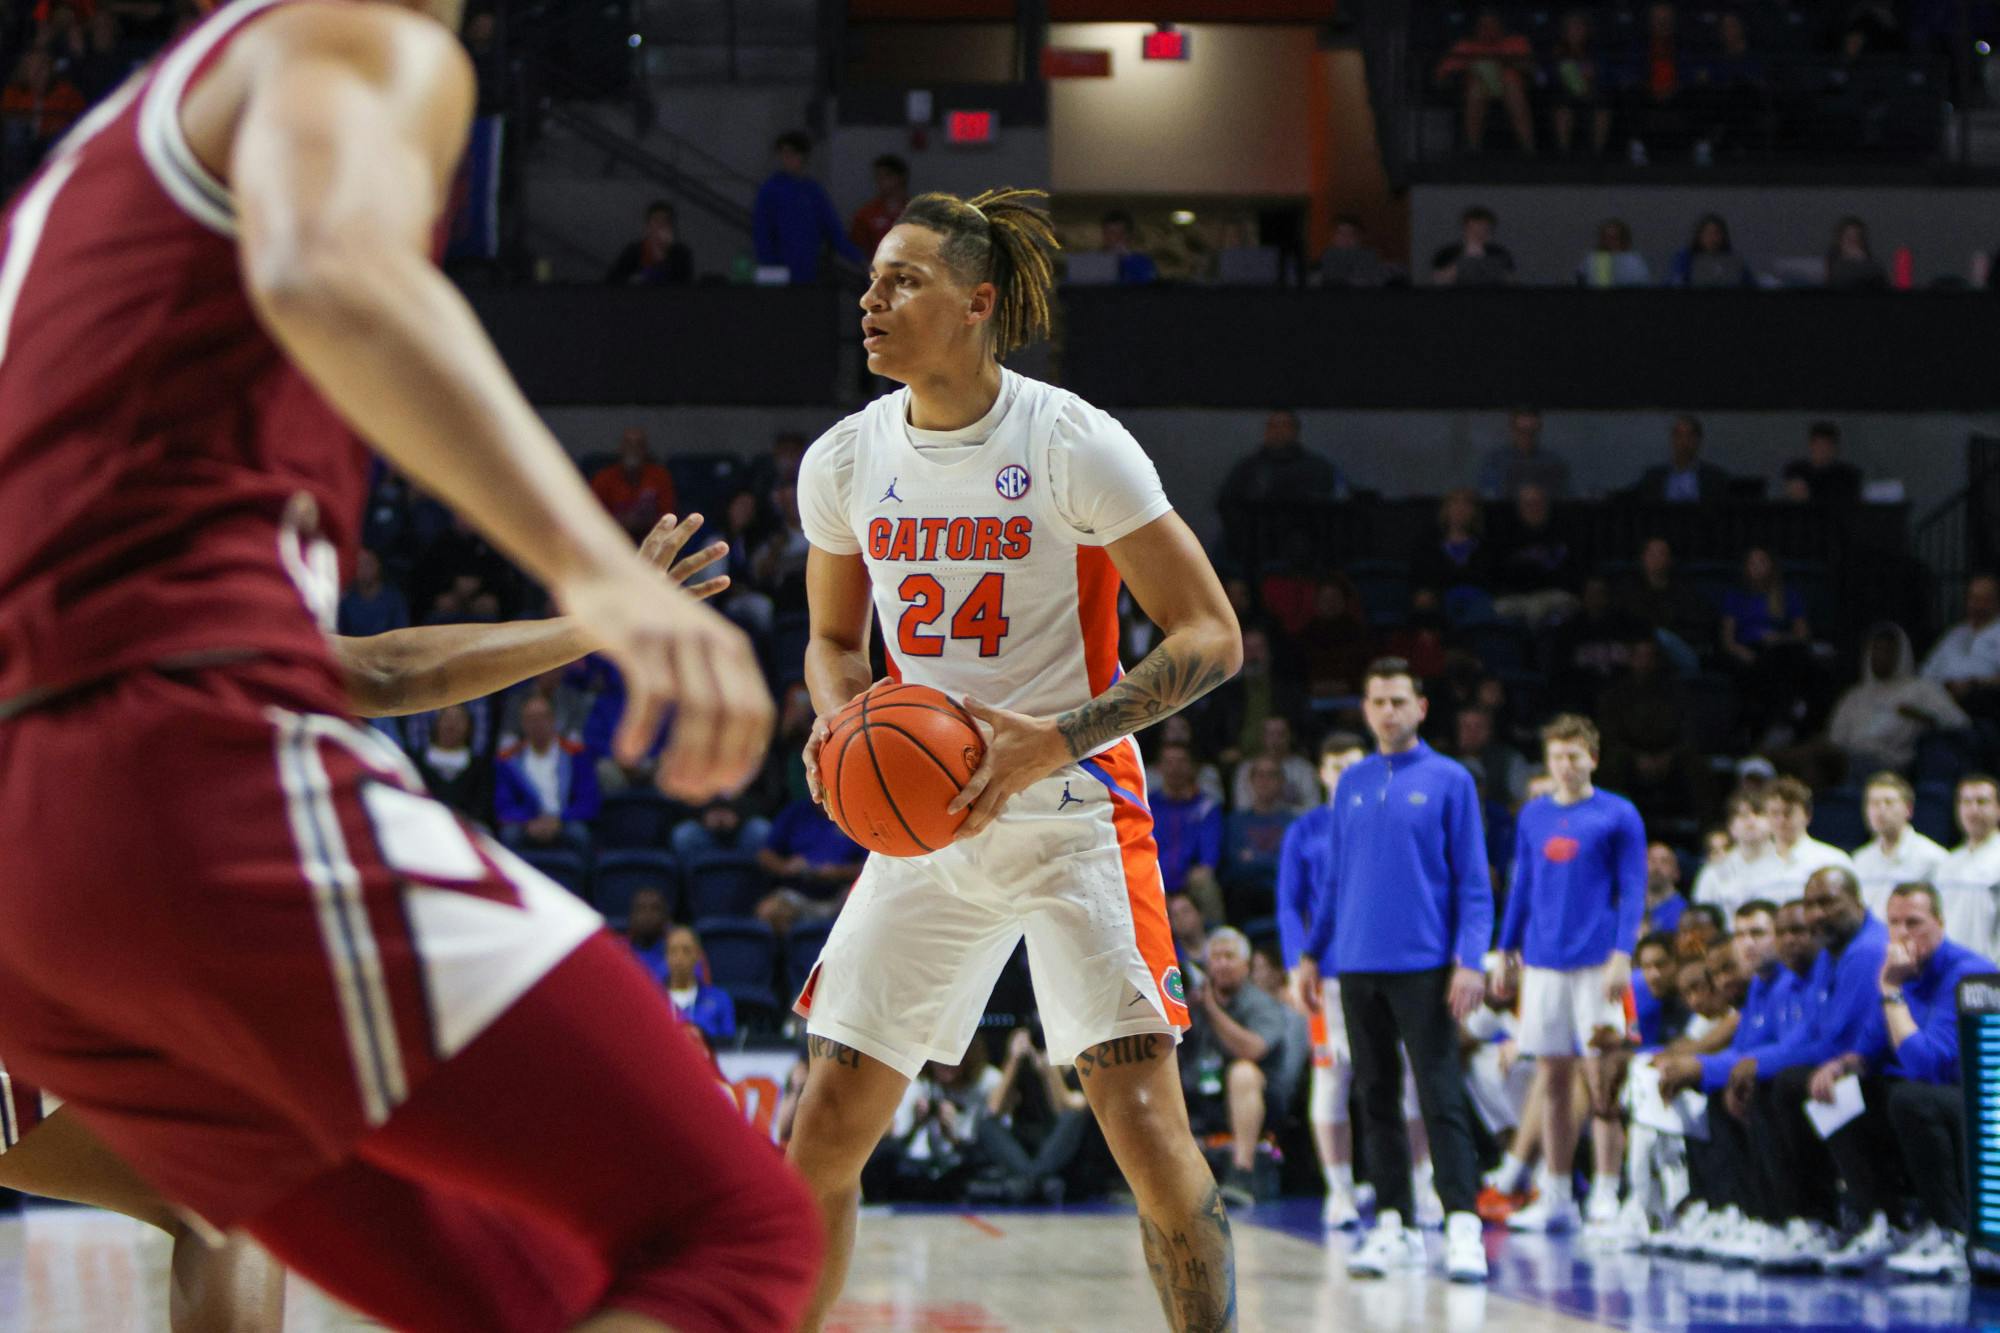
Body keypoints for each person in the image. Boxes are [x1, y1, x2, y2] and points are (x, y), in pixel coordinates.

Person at [0, 2, 817, 1309]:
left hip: (39, 880)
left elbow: (374, 670)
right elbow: (327, 270)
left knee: (515, 1295)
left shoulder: (90, 178)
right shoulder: (351, 37)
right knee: (738, 1227)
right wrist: (597, 568)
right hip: (172, 777)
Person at [787, 187, 1245, 1332]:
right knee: (820, 1137)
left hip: (1072, 811)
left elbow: (1210, 636)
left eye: (902, 281)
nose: (870, 300)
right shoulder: (844, 460)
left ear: (975, 303)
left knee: (1145, 1133)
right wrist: (840, 723)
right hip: (926, 828)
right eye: (869, 281)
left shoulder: (1068, 441)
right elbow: (833, 643)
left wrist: (1057, 736)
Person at [1298, 659, 1493, 1283]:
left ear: (1421, 708)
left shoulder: (1451, 779)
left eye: (1399, 700)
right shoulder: (1351, 782)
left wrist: (1471, 960)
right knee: (1374, 1096)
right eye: (1378, 701)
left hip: (1426, 966)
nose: (1388, 711)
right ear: (1365, 709)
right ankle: (1393, 1224)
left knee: (1440, 1095)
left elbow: (1474, 881)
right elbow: (1334, 879)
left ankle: (1462, 1225)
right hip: (1355, 965)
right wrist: (1311, 953)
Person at [1495, 716, 1647, 1232]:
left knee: (1602, 1079)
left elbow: (1633, 887)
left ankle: (1606, 1189)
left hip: (1597, 962)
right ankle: (1556, 1192)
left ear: (1593, 759)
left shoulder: (1619, 813)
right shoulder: (1533, 815)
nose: (1565, 765)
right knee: (1553, 1077)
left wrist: (1623, 954)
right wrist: (1507, 947)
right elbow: (1522, 884)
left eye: (1575, 756)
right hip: (1543, 962)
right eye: (1557, 756)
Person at [1721, 868, 1890, 1272]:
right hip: (1852, 1066)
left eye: (1827, 903)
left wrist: (1758, 1064)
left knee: (1791, 1085)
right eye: (1811, 904)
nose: (1817, 915)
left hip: (1885, 1072)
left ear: (1857, 902)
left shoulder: (1866, 951)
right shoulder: (1833, 952)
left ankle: (1863, 1218)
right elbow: (1814, 1033)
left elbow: (1839, 1044)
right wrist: (1753, 1066)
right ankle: (1787, 1219)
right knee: (1775, 1084)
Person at [1278, 731, 1375, 1229]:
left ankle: (1418, 1185)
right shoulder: (1305, 830)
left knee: (1400, 1079)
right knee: (1332, 1076)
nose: (1344, 775)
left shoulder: (1385, 822)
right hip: (1328, 975)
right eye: (1336, 767)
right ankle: (1339, 1190)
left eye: (1353, 765)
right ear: (1321, 773)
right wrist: (1297, 964)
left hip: (1384, 969)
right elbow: (1289, 905)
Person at [1880, 882, 1992, 1280]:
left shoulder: (1969, 973)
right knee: (1841, 1093)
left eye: (1913, 922)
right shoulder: (1905, 968)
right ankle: (1886, 1222)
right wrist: (1844, 1063)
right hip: (1949, 1097)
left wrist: (1891, 991)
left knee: (1910, 1099)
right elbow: (1871, 1045)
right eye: (1894, 923)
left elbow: (1925, 1064)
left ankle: (1954, 1231)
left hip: (1985, 1107)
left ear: (1940, 923)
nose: (1902, 933)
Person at [1182, 928, 1299, 1207]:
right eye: (1216, 957)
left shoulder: (1261, 1003)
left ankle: (1242, 1173)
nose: (1222, 963)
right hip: (1206, 1093)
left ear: (1246, 965)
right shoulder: (1195, 1004)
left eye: (1229, 956)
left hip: (1260, 1102)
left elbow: (1252, 1049)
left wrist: (1212, 1011)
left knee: (1243, 1073)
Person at [1818, 623, 1968, 778]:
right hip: (1847, 758)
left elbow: (1959, 722)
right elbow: (1835, 739)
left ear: (1901, 654)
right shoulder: (1856, 695)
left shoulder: (1921, 689)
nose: (1880, 656)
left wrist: (1923, 717)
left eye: (1887, 651)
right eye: (1876, 650)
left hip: (1889, 764)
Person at [494, 695, 601, 853]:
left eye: (542, 717)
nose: (537, 724)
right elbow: (504, 804)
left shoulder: (576, 754)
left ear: (553, 720)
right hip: (527, 823)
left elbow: (587, 800)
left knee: (580, 834)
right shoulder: (508, 759)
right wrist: (529, 821)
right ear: (522, 723)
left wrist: (559, 820)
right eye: (531, 719)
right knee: (509, 835)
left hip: (565, 820)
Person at [753, 130, 862, 284]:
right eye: (783, 154)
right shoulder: (770, 190)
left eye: (791, 154)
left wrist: (860, 260)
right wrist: (769, 266)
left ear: (803, 156)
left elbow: (834, 231)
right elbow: (761, 232)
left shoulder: (813, 192)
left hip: (807, 273)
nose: (786, 159)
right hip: (778, 274)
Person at [755, 796, 864, 936]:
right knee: (770, 910)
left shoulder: (853, 815)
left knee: (863, 909)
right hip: (799, 891)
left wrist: (838, 872)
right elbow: (765, 855)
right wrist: (786, 867)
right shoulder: (797, 812)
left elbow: (871, 865)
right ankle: (787, 949)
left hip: (841, 893)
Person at [1433, 8, 1536, 154]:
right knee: (1476, 88)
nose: (1488, 29)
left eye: (1493, 24)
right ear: (1476, 28)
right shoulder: (1466, 47)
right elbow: (1441, 76)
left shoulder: (1516, 43)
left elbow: (1534, 71)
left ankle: (1528, 148)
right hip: (1476, 91)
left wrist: (1509, 62)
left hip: (1512, 88)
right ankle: (1473, 148)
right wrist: (1462, 72)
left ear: (1501, 26)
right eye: (1484, 25)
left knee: (1512, 86)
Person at [1853, 772, 1949, 916]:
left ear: (1908, 809)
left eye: (1889, 802)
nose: (1881, 810)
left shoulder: (1932, 858)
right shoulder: (1860, 860)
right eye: (1874, 803)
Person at [1152, 739, 1227, 924]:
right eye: (1169, 762)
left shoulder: (1206, 807)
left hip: (1190, 882)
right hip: (1154, 877)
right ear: (1159, 768)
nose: (1174, 768)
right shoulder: (1148, 805)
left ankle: (1215, 935)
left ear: (1193, 767)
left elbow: (1209, 858)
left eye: (1181, 762)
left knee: (1204, 881)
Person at [1932, 774, 2000, 960]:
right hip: (1949, 967)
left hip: (1988, 970)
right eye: (1967, 802)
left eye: (1982, 802)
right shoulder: (1947, 864)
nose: (1973, 810)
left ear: (1998, 808)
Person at [1693, 791, 1792, 916]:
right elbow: (1701, 916)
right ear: (1731, 827)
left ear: (1773, 821)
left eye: (1758, 813)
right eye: (1742, 816)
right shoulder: (1713, 873)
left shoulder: (1790, 865)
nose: (1751, 821)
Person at [1618, 536, 1715, 663]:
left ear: (1670, 559)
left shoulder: (1684, 589)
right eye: (1652, 554)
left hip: (1679, 645)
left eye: (1662, 553)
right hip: (1639, 648)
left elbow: (1698, 621)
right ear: (1643, 558)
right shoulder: (1628, 588)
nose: (1656, 558)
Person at [1221, 758, 1295, 921]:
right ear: (1251, 781)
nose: (1265, 781)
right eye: (1260, 775)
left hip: (1280, 892)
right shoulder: (1235, 822)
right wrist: (1271, 859)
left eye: (1271, 775)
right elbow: (1235, 866)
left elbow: (1289, 865)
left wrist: (1253, 858)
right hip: (1244, 895)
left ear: (1281, 782)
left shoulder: (1292, 823)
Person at [1920, 573, 2000, 715]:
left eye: (1984, 599)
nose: (1977, 605)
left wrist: (1975, 684)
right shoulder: (1955, 634)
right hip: (1938, 699)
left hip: (1981, 705)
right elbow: (1927, 672)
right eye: (1973, 598)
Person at [1763, 778, 1855, 895]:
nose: (1781, 820)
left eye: (1788, 813)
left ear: (1807, 815)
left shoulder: (1833, 861)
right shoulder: (1756, 866)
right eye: (1774, 813)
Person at [589, 426, 680, 541]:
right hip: (612, 538)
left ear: (645, 449)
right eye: (629, 444)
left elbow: (668, 515)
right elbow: (593, 516)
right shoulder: (603, 477)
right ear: (621, 448)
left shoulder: (660, 476)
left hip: (651, 537)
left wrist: (641, 522)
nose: (633, 449)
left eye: (638, 445)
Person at [412, 701, 494, 825]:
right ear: (437, 723)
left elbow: (482, 807)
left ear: (469, 727)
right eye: (447, 718)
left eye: (459, 720)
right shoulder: (416, 762)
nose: (451, 725)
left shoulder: (480, 767)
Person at [1549, 12, 1613, 158]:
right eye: (1571, 28)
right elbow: (1548, 77)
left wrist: (1592, 74)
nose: (1575, 32)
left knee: (1602, 107)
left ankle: (1597, 154)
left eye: (1579, 27)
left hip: (1592, 94)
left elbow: (1605, 76)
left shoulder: (1596, 52)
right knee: (1562, 108)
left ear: (1587, 30)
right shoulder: (1557, 52)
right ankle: (1563, 153)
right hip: (1564, 95)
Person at [1477, 406, 1570, 502]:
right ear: (1513, 430)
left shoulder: (1554, 462)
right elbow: (1488, 494)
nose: (1526, 437)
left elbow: (1565, 495)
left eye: (1531, 432)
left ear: (1538, 430)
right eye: (1521, 431)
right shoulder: (1495, 461)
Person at [664, 925, 738, 1046]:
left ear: (698, 955)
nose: (679, 958)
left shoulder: (720, 999)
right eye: (673, 951)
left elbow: (730, 1048)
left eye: (686, 951)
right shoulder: (654, 1000)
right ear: (666, 956)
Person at [1630, 414, 1730, 502]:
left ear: (1698, 440)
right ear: (1672, 439)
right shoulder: (1653, 478)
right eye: (1679, 435)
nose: (1684, 442)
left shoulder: (1715, 478)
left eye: (1690, 436)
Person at [1230, 715, 1318, 813]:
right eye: (1270, 734)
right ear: (1261, 737)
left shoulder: (1305, 769)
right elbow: (1242, 809)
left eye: (1281, 734)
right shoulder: (1246, 768)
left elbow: (1313, 809)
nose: (1275, 740)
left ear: (1290, 737)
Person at [605, 198, 693, 286]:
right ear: (648, 227)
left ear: (671, 228)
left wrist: (664, 253)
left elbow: (685, 285)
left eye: (665, 222)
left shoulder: (680, 254)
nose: (660, 227)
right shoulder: (633, 252)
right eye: (656, 221)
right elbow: (611, 282)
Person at [1780, 421, 1864, 503]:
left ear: (1835, 448)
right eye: (1819, 444)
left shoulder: (1848, 475)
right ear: (1811, 445)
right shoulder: (1796, 471)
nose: (1822, 449)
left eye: (1827, 445)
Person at [1432, 205, 1515, 286]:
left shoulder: (1500, 254)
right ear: (1465, 229)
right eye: (1474, 229)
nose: (1479, 234)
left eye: (1484, 230)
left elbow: (1509, 281)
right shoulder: (1448, 253)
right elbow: (1437, 281)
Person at [848, 153, 909, 261]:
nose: (881, 181)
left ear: (900, 178)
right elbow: (855, 248)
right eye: (878, 176)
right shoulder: (866, 214)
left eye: (886, 176)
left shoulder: (918, 214)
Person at [337, 547, 408, 637]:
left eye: (368, 564)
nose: (364, 570)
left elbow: (402, 633)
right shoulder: (347, 600)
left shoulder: (393, 599)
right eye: (359, 565)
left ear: (378, 565)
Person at [1668, 213, 1754, 288]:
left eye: (1716, 233)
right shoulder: (1685, 258)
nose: (1712, 238)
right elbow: (1676, 281)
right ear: (1699, 235)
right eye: (1708, 233)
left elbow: (1750, 284)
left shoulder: (1733, 260)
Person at [1317, 214, 1399, 288]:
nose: (1346, 238)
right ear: (1332, 237)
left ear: (1358, 237)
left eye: (1351, 233)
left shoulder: (1369, 257)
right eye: (1340, 233)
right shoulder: (1326, 259)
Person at [1576, 218, 1649, 287]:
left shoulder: (1634, 262)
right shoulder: (1592, 260)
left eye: (1613, 238)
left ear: (1623, 240)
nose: (1608, 242)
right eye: (1605, 238)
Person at [1825, 216, 1888, 290]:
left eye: (1856, 238)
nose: (1853, 242)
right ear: (1840, 241)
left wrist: (1863, 262)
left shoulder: (1872, 266)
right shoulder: (1829, 265)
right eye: (1849, 238)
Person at [1099, 208, 1158, 285]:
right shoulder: (1095, 262)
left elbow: (1150, 282)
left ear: (1128, 235)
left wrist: (1128, 258)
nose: (1116, 237)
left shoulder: (1142, 262)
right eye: (1111, 232)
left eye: (1121, 233)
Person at [1644, 842, 1688, 935]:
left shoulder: (1684, 912)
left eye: (1664, 861)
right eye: (1651, 860)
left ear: (1676, 872)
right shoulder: (1628, 906)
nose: (1656, 867)